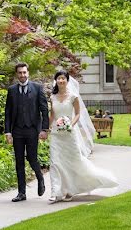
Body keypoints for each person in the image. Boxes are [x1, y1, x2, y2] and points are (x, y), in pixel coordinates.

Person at [48, 71, 118, 203]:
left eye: (63, 78)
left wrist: (70, 125)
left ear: (67, 81)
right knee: (55, 162)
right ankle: (55, 191)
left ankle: (69, 190)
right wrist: (46, 128)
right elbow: (52, 115)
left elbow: (77, 114)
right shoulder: (53, 97)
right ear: (56, 81)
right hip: (57, 135)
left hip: (69, 134)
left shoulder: (73, 96)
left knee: (72, 162)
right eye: (59, 78)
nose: (61, 81)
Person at [4, 63, 49, 202]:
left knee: (31, 158)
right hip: (17, 130)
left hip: (31, 129)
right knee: (19, 162)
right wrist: (8, 132)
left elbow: (44, 110)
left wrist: (44, 129)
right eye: (20, 73)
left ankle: (40, 177)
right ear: (16, 74)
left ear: (28, 73)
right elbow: (8, 113)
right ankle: (21, 193)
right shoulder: (11, 90)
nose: (22, 75)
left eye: (24, 72)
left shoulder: (37, 88)